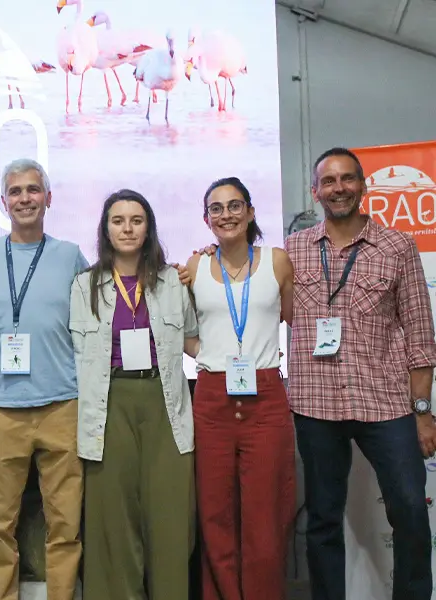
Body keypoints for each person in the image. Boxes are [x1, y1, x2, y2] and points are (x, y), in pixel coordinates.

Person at [286, 147, 436, 600]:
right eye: (329, 181)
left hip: (385, 402)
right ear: (315, 191)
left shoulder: (397, 246)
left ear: (363, 186)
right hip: (316, 404)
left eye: (347, 179)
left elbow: (420, 333)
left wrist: (423, 410)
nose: (339, 188)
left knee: (411, 509)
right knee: (323, 519)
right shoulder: (290, 251)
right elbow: (243, 284)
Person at [0, 158, 87, 600]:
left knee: (65, 524)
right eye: (16, 192)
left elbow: (91, 315)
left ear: (48, 198)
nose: (25, 198)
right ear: (3, 202)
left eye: (33, 190)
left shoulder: (71, 255)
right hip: (0, 409)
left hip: (61, 405)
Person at [69, 189, 199, 600]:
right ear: (106, 229)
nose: (127, 228)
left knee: (171, 521)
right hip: (109, 405)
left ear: (149, 228)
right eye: (118, 220)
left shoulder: (173, 282)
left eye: (136, 220)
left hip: (165, 403)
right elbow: (74, 354)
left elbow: (195, 342)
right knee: (113, 525)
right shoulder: (84, 285)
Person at [184, 177, 295, 600]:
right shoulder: (193, 268)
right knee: (215, 515)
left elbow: (291, 317)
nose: (225, 214)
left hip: (265, 396)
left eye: (234, 206)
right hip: (212, 397)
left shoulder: (278, 262)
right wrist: (210, 356)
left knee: (265, 516)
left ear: (250, 211)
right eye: (216, 208)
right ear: (206, 218)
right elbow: (181, 330)